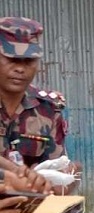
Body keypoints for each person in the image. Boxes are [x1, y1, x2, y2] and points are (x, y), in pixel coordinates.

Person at [0, 17, 78, 194]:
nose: (20, 69)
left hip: (30, 210)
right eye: (12, 59)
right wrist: (17, 173)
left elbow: (57, 169)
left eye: (29, 61)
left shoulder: (47, 109)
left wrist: (61, 180)